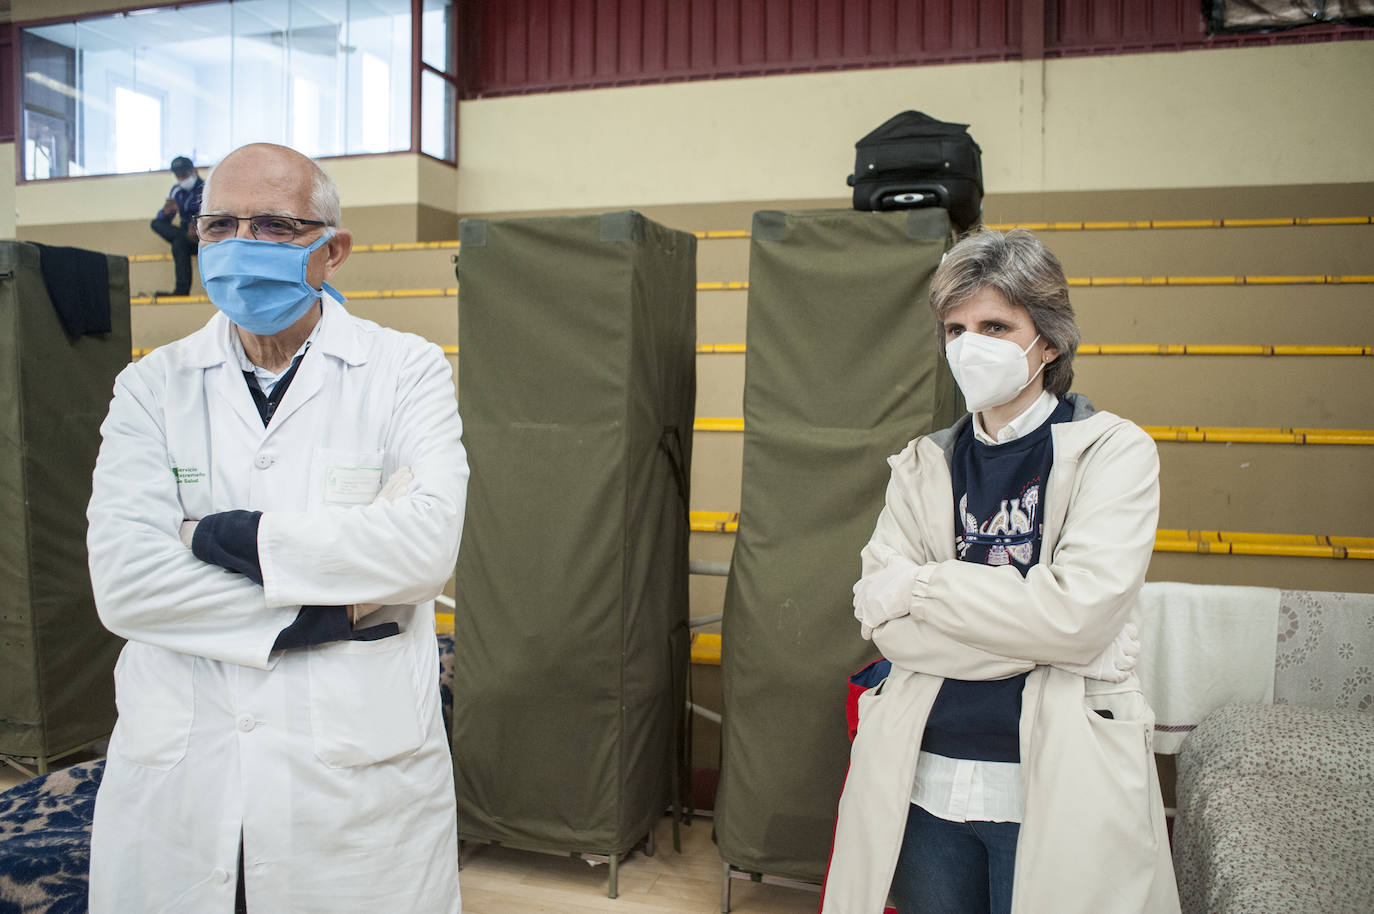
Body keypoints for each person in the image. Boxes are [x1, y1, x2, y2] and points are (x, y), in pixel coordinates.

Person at [87, 143, 468, 913]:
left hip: (354, 784)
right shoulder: (150, 387)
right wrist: (324, 612)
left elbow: (425, 548)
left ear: (332, 251)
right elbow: (125, 585)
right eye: (220, 224)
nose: (240, 245)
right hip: (182, 770)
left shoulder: (406, 371)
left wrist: (218, 536)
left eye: (273, 225)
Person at [822, 229, 1178, 914]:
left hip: (1051, 785)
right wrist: (1042, 633)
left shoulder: (1114, 452)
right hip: (925, 783)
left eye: (994, 325)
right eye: (955, 328)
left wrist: (923, 588)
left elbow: (1072, 619)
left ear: (1048, 340)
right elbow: (888, 629)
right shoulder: (922, 462)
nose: (968, 346)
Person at [149, 155, 204, 296]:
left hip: (203, 236)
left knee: (178, 244)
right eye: (178, 176)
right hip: (185, 233)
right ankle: (181, 292)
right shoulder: (176, 191)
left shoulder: (205, 188)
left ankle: (181, 291)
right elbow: (163, 220)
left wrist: (196, 224)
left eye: (184, 175)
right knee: (157, 225)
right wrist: (165, 212)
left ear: (194, 171)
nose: (181, 179)